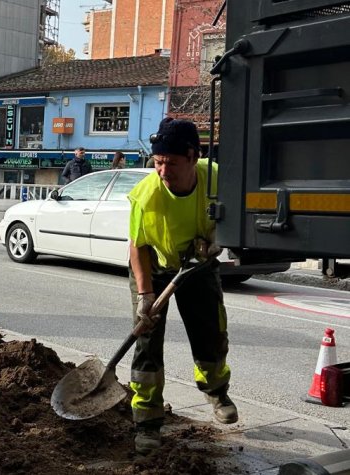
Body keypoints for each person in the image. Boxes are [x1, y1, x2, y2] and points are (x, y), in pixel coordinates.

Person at [126, 118, 237, 455]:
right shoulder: (146, 196)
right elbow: (137, 247)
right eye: (158, 162)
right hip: (155, 268)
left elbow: (234, 214)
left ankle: (216, 391)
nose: (162, 171)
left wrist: (218, 239)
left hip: (198, 265)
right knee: (146, 343)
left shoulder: (215, 176)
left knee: (211, 331)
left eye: (170, 163)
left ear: (193, 156)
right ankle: (147, 423)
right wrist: (145, 296)